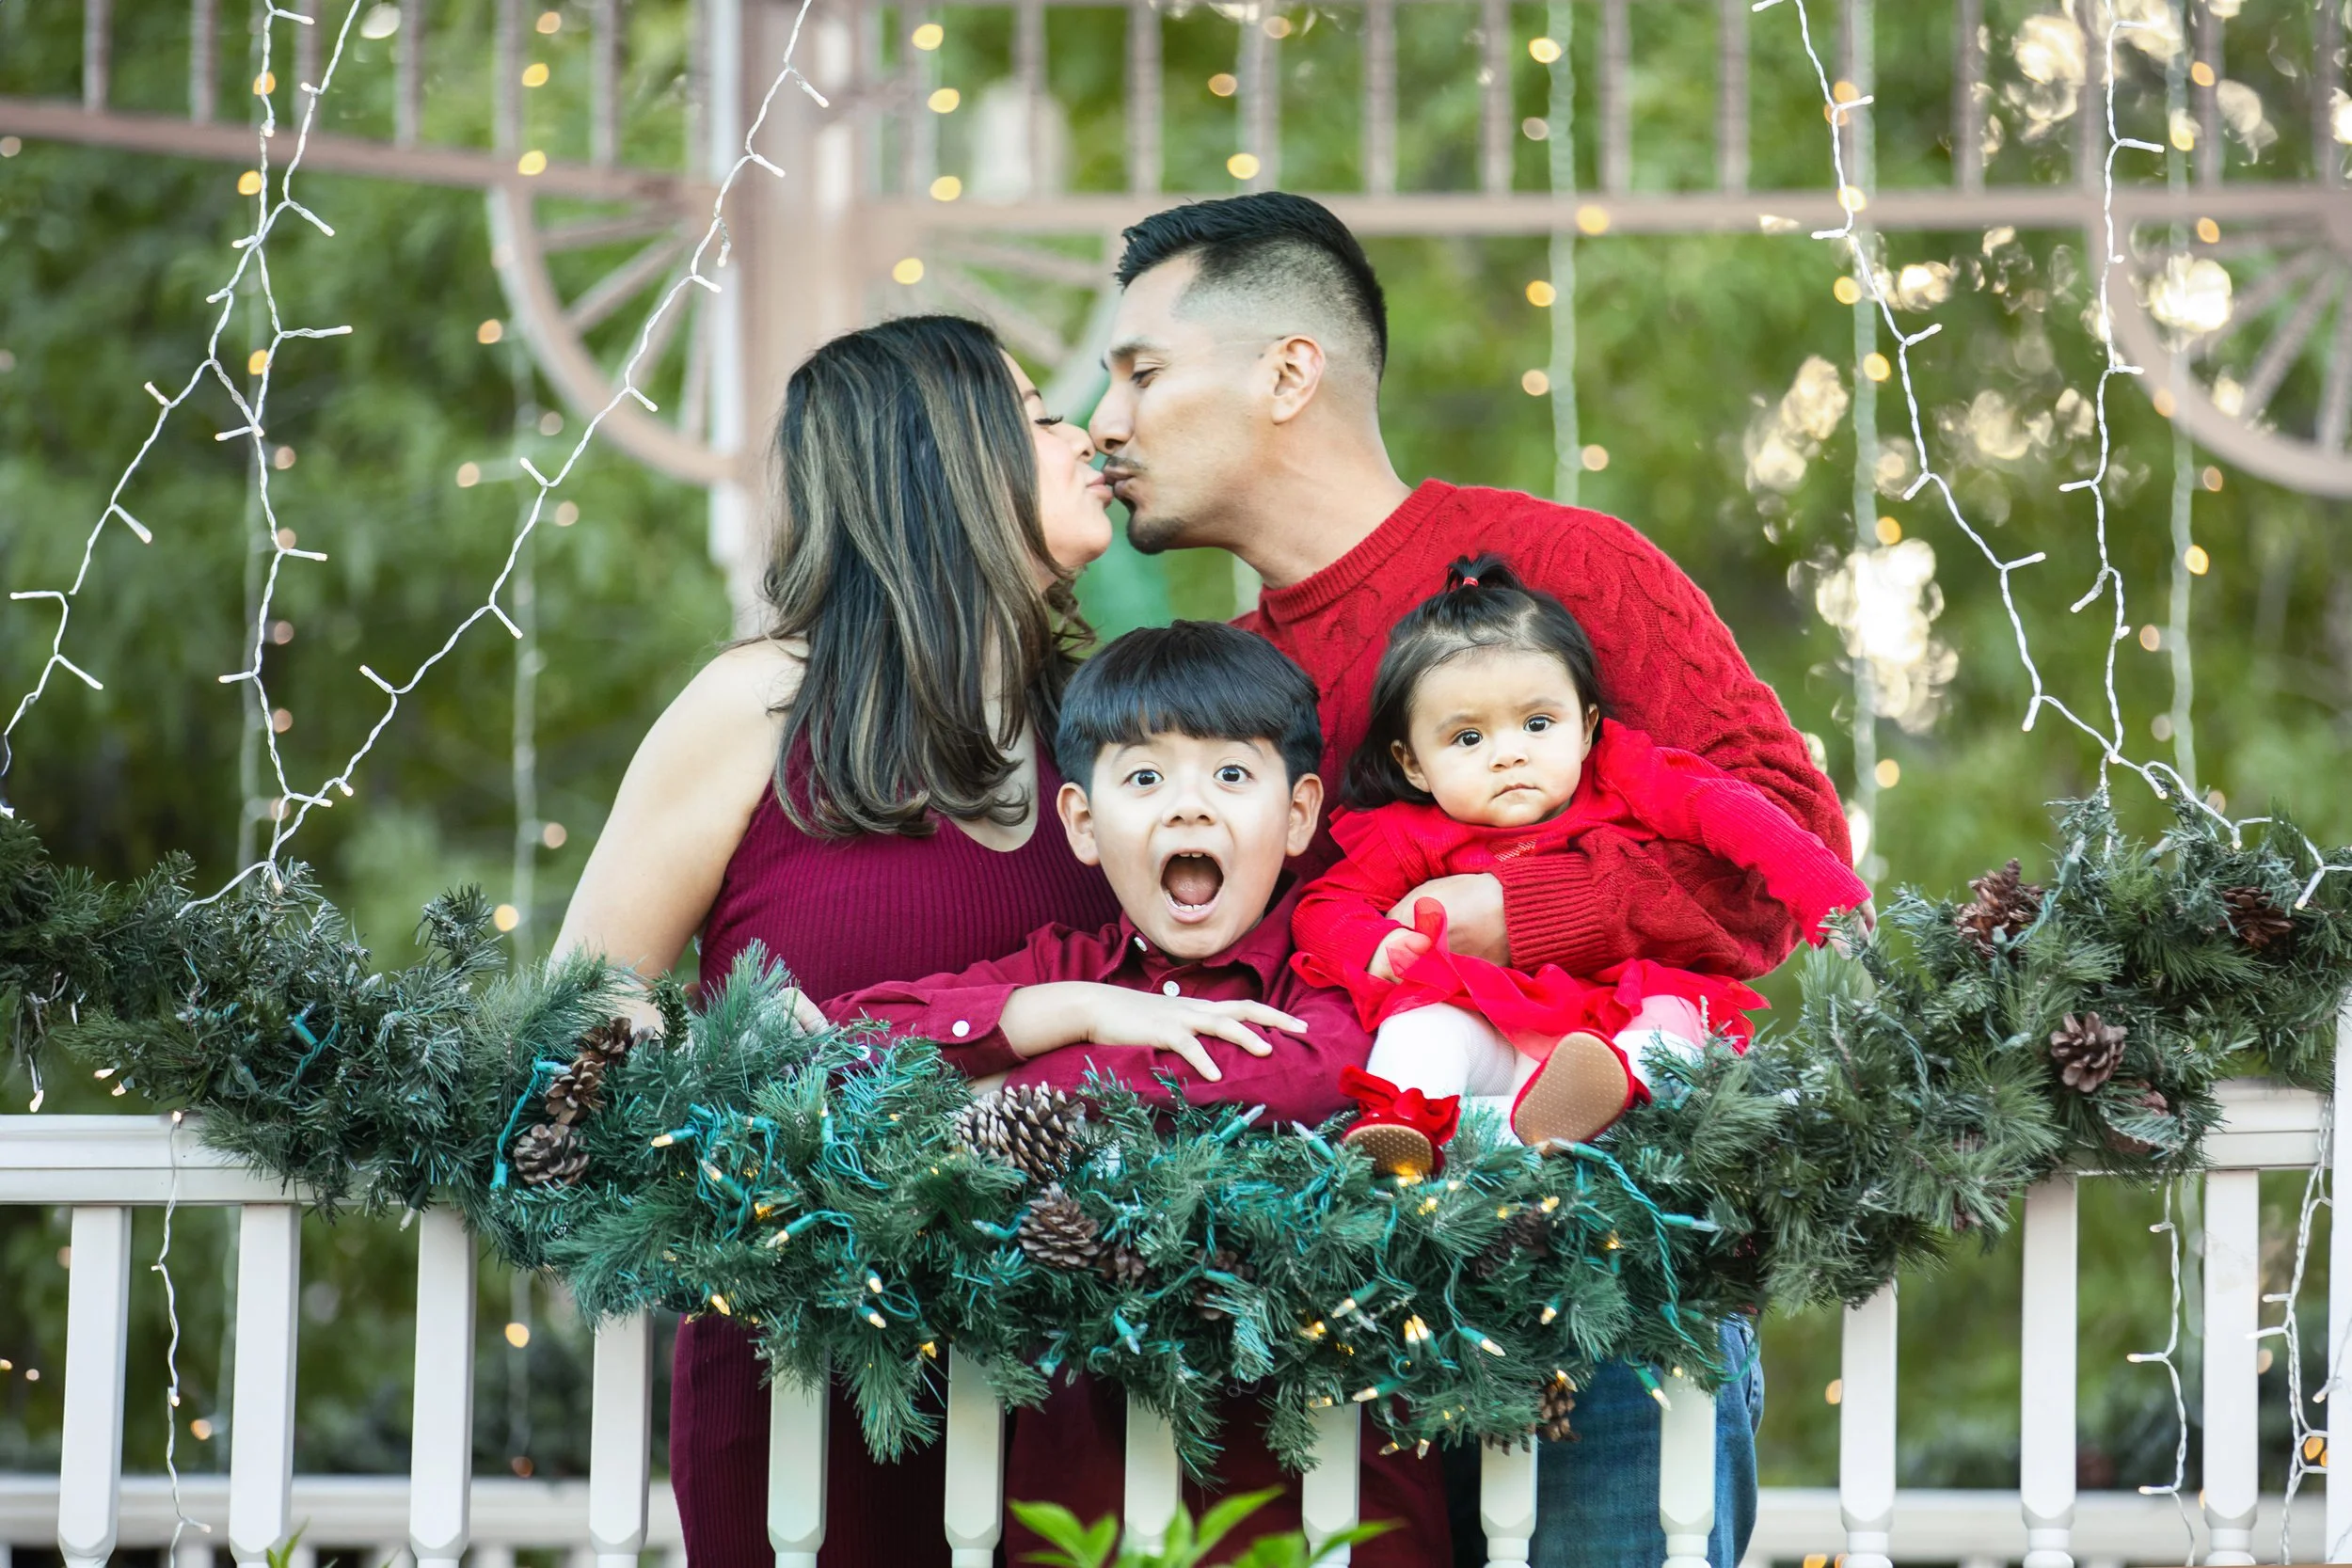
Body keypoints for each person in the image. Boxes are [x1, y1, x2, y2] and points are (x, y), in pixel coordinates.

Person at [1087, 191, 1860, 1568]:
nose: (1107, 418)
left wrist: (1513, 912)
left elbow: (1788, 848)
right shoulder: (1224, 690)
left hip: (1606, 1288)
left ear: (1287, 370)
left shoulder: (1561, 570)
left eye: (1140, 369)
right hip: (1337, 1313)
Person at [550, 314, 1127, 1568]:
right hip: (812, 1359)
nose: (1083, 433)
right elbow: (581, 998)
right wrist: (755, 1082)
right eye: (1034, 414)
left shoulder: (1098, 730)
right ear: (944, 463)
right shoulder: (754, 703)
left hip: (1073, 1363)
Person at [829, 620, 1449, 1564]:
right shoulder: (1063, 972)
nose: (1188, 810)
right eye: (1146, 777)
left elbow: (1302, 1077)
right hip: (1084, 1511)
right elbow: (846, 1040)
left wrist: (1018, 1085)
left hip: (1328, 1513)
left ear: (1298, 812)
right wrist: (1069, 1008)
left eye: (1231, 775)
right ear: (1081, 819)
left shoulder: (1329, 964)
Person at [1291, 554, 1871, 1178]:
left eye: (1538, 723)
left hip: (1615, 1022)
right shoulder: (1408, 835)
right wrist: (1377, 944)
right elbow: (1325, 907)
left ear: (1588, 726)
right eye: (1467, 738)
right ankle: (1405, 1124)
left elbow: (1722, 808)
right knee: (1425, 1022)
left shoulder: (1623, 776)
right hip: (1493, 1030)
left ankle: (1609, 1101)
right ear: (1412, 763)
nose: (1509, 754)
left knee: (1671, 1020)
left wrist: (1820, 886)